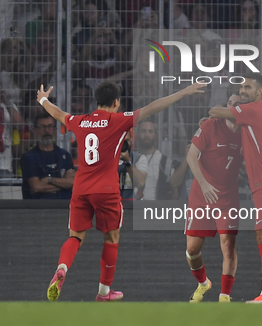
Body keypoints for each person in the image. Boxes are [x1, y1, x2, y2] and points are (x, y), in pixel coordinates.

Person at [38, 81, 206, 302]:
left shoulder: (80, 121)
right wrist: (183, 92)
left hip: (81, 189)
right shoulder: (118, 120)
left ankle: (62, 267)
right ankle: (104, 292)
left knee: (76, 236)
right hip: (106, 189)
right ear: (116, 102)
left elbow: (58, 113)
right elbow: (153, 107)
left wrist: (42, 99)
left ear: (96, 101)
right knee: (112, 237)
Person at [209, 73, 262, 303]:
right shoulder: (256, 113)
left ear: (259, 92)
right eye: (241, 86)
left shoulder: (252, 110)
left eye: (248, 87)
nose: (244, 90)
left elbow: (215, 112)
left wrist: (227, 106)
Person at [184, 93, 243, 303]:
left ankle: (224, 297)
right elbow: (191, 156)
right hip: (202, 195)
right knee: (192, 250)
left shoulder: (247, 133)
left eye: (237, 105)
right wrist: (204, 183)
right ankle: (203, 284)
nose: (231, 108)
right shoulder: (210, 125)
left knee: (228, 246)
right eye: (229, 103)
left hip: (228, 199)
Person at [20, 112, 75, 200]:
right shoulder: (29, 157)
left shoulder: (64, 155)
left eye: (50, 126)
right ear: (35, 130)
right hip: (38, 209)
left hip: (63, 208)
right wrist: (64, 184)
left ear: (55, 129)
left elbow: (73, 183)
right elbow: (37, 187)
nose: (47, 130)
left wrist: (50, 180)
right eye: (42, 127)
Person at [133, 120, 181, 200]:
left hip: (155, 209)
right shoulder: (131, 159)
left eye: (150, 131)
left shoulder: (165, 163)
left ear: (155, 135)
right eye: (143, 131)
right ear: (137, 134)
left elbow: (174, 189)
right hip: (132, 208)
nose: (147, 135)